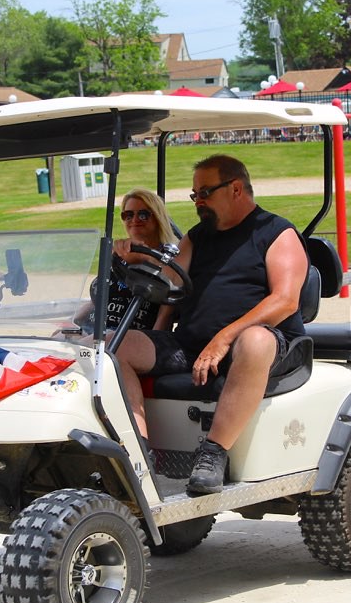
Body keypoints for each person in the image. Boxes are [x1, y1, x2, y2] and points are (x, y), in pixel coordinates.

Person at [115, 154, 307, 494]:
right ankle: (138, 452)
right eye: (195, 195)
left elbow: (285, 301)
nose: (198, 201)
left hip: (261, 347)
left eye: (205, 193)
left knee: (254, 340)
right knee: (117, 345)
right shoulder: (197, 237)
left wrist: (224, 338)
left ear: (236, 189)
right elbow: (170, 281)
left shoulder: (277, 233)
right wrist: (138, 256)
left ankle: (214, 453)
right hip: (194, 345)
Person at [79, 188, 178, 332]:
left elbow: (166, 314)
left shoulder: (169, 258)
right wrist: (69, 325)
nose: (135, 220)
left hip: (129, 338)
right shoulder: (120, 254)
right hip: (95, 332)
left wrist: (146, 258)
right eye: (128, 215)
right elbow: (97, 302)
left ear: (158, 218)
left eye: (143, 215)